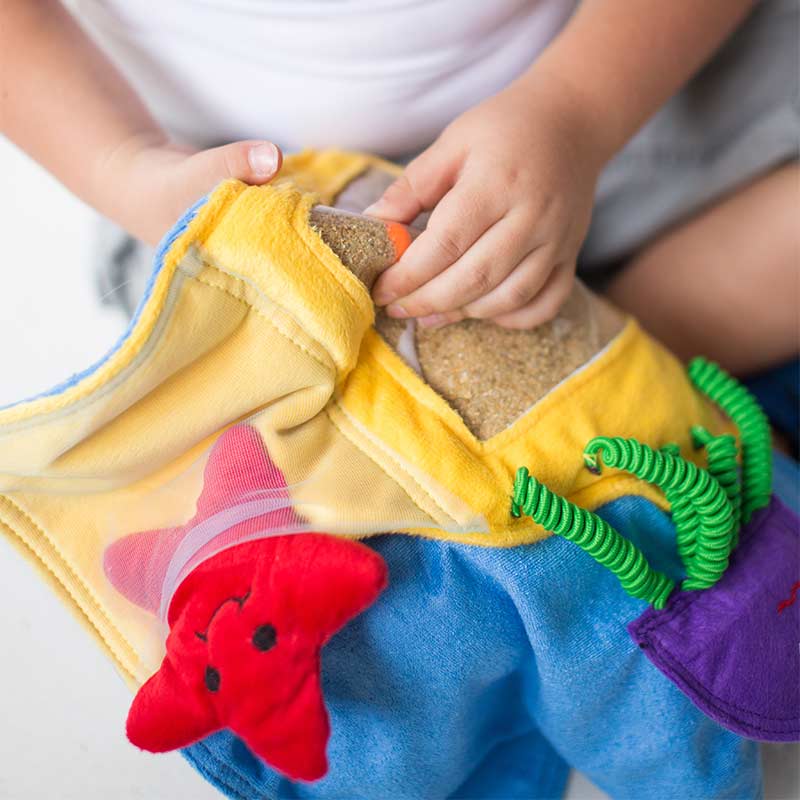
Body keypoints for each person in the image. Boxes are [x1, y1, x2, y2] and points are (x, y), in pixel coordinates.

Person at [2, 0, 797, 377]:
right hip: (226, 183)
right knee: (266, 438)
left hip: (617, 75)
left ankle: (622, 350)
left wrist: (579, 110)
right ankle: (554, 371)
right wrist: (128, 167)